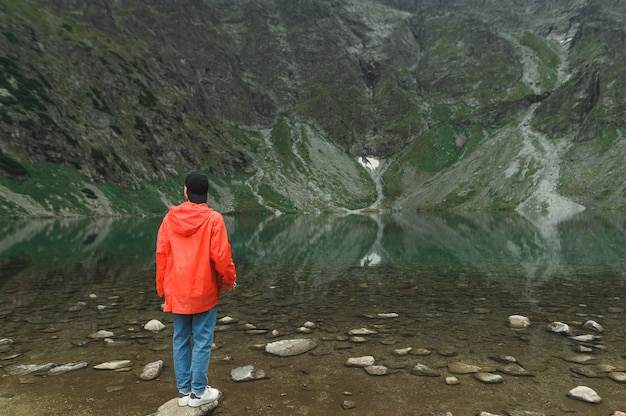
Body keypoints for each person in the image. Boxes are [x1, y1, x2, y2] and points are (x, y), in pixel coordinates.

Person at [156, 172, 237, 407]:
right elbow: (221, 256)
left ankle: (183, 393)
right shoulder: (214, 219)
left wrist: (163, 288)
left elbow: (162, 255)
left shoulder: (169, 219)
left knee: (180, 338)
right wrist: (229, 280)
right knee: (202, 339)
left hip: (178, 291)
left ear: (185, 191)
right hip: (204, 290)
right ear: (207, 194)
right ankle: (198, 392)